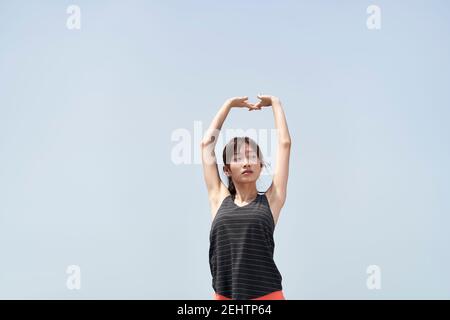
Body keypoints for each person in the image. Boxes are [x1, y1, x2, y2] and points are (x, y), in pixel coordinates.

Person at [200, 95, 292, 300]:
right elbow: (206, 144)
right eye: (238, 158)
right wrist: (228, 105)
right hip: (225, 296)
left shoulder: (272, 200)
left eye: (252, 157)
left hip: (266, 297)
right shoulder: (218, 198)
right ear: (227, 169)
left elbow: (285, 144)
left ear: (261, 165)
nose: (247, 163)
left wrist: (276, 104)